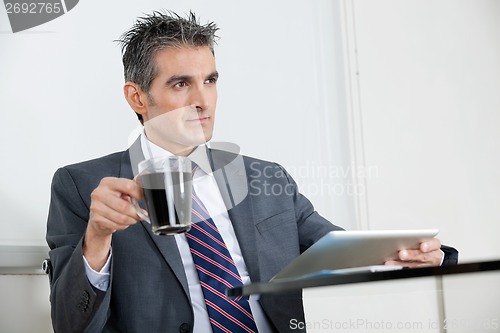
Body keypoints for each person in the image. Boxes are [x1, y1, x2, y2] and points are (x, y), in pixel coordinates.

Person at [46, 10, 458, 333]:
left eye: (210, 80)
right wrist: (97, 238)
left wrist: (417, 258)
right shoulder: (84, 187)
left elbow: (340, 254)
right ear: (137, 97)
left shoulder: (268, 179)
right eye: (180, 84)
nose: (203, 101)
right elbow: (70, 324)